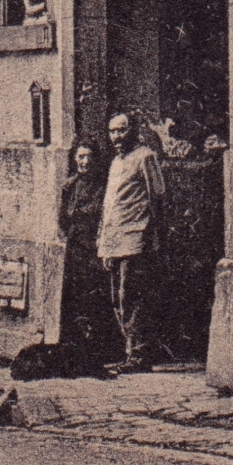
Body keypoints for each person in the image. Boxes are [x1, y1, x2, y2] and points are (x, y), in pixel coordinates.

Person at [98, 112, 166, 373]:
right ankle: (130, 350)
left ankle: (139, 354)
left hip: (136, 238)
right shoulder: (116, 162)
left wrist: (153, 237)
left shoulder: (145, 157)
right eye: (112, 131)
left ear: (132, 131)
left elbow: (157, 197)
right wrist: (103, 240)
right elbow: (109, 204)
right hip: (113, 240)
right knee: (117, 298)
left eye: (121, 130)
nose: (116, 136)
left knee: (132, 296)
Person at [57, 139, 115, 374]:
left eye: (89, 156)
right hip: (74, 251)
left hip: (94, 249)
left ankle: (100, 351)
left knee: (96, 299)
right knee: (74, 299)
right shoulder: (69, 186)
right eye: (80, 156)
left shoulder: (103, 187)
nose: (85, 161)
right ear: (74, 159)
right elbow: (63, 219)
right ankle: (74, 350)